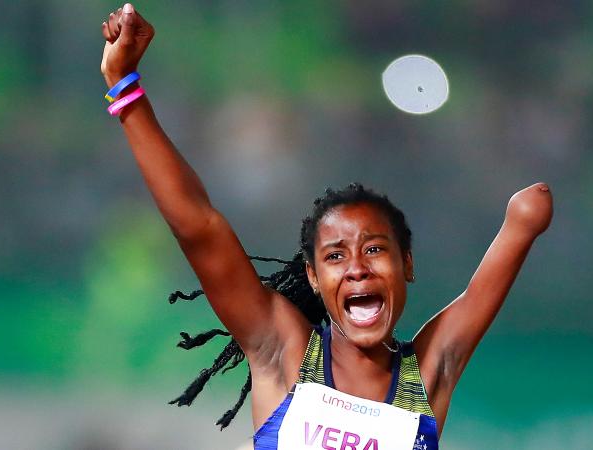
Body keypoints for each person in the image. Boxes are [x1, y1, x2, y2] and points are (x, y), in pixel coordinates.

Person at [100, 4, 553, 449]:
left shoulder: (429, 374)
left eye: (374, 249)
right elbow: (198, 226)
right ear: (314, 277)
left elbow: (479, 293)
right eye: (335, 255)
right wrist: (125, 87)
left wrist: (522, 223)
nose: (356, 268)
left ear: (406, 264)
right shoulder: (282, 350)